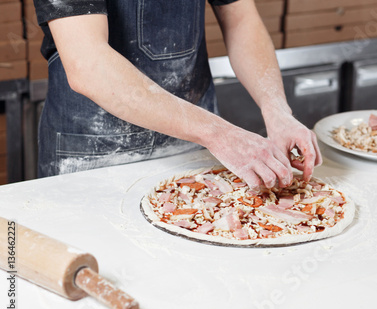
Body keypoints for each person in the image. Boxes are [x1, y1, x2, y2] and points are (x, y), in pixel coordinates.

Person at [33, 0, 322, 188]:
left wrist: (277, 110)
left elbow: (241, 20)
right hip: (93, 153)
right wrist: (220, 134)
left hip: (193, 143)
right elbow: (88, 65)